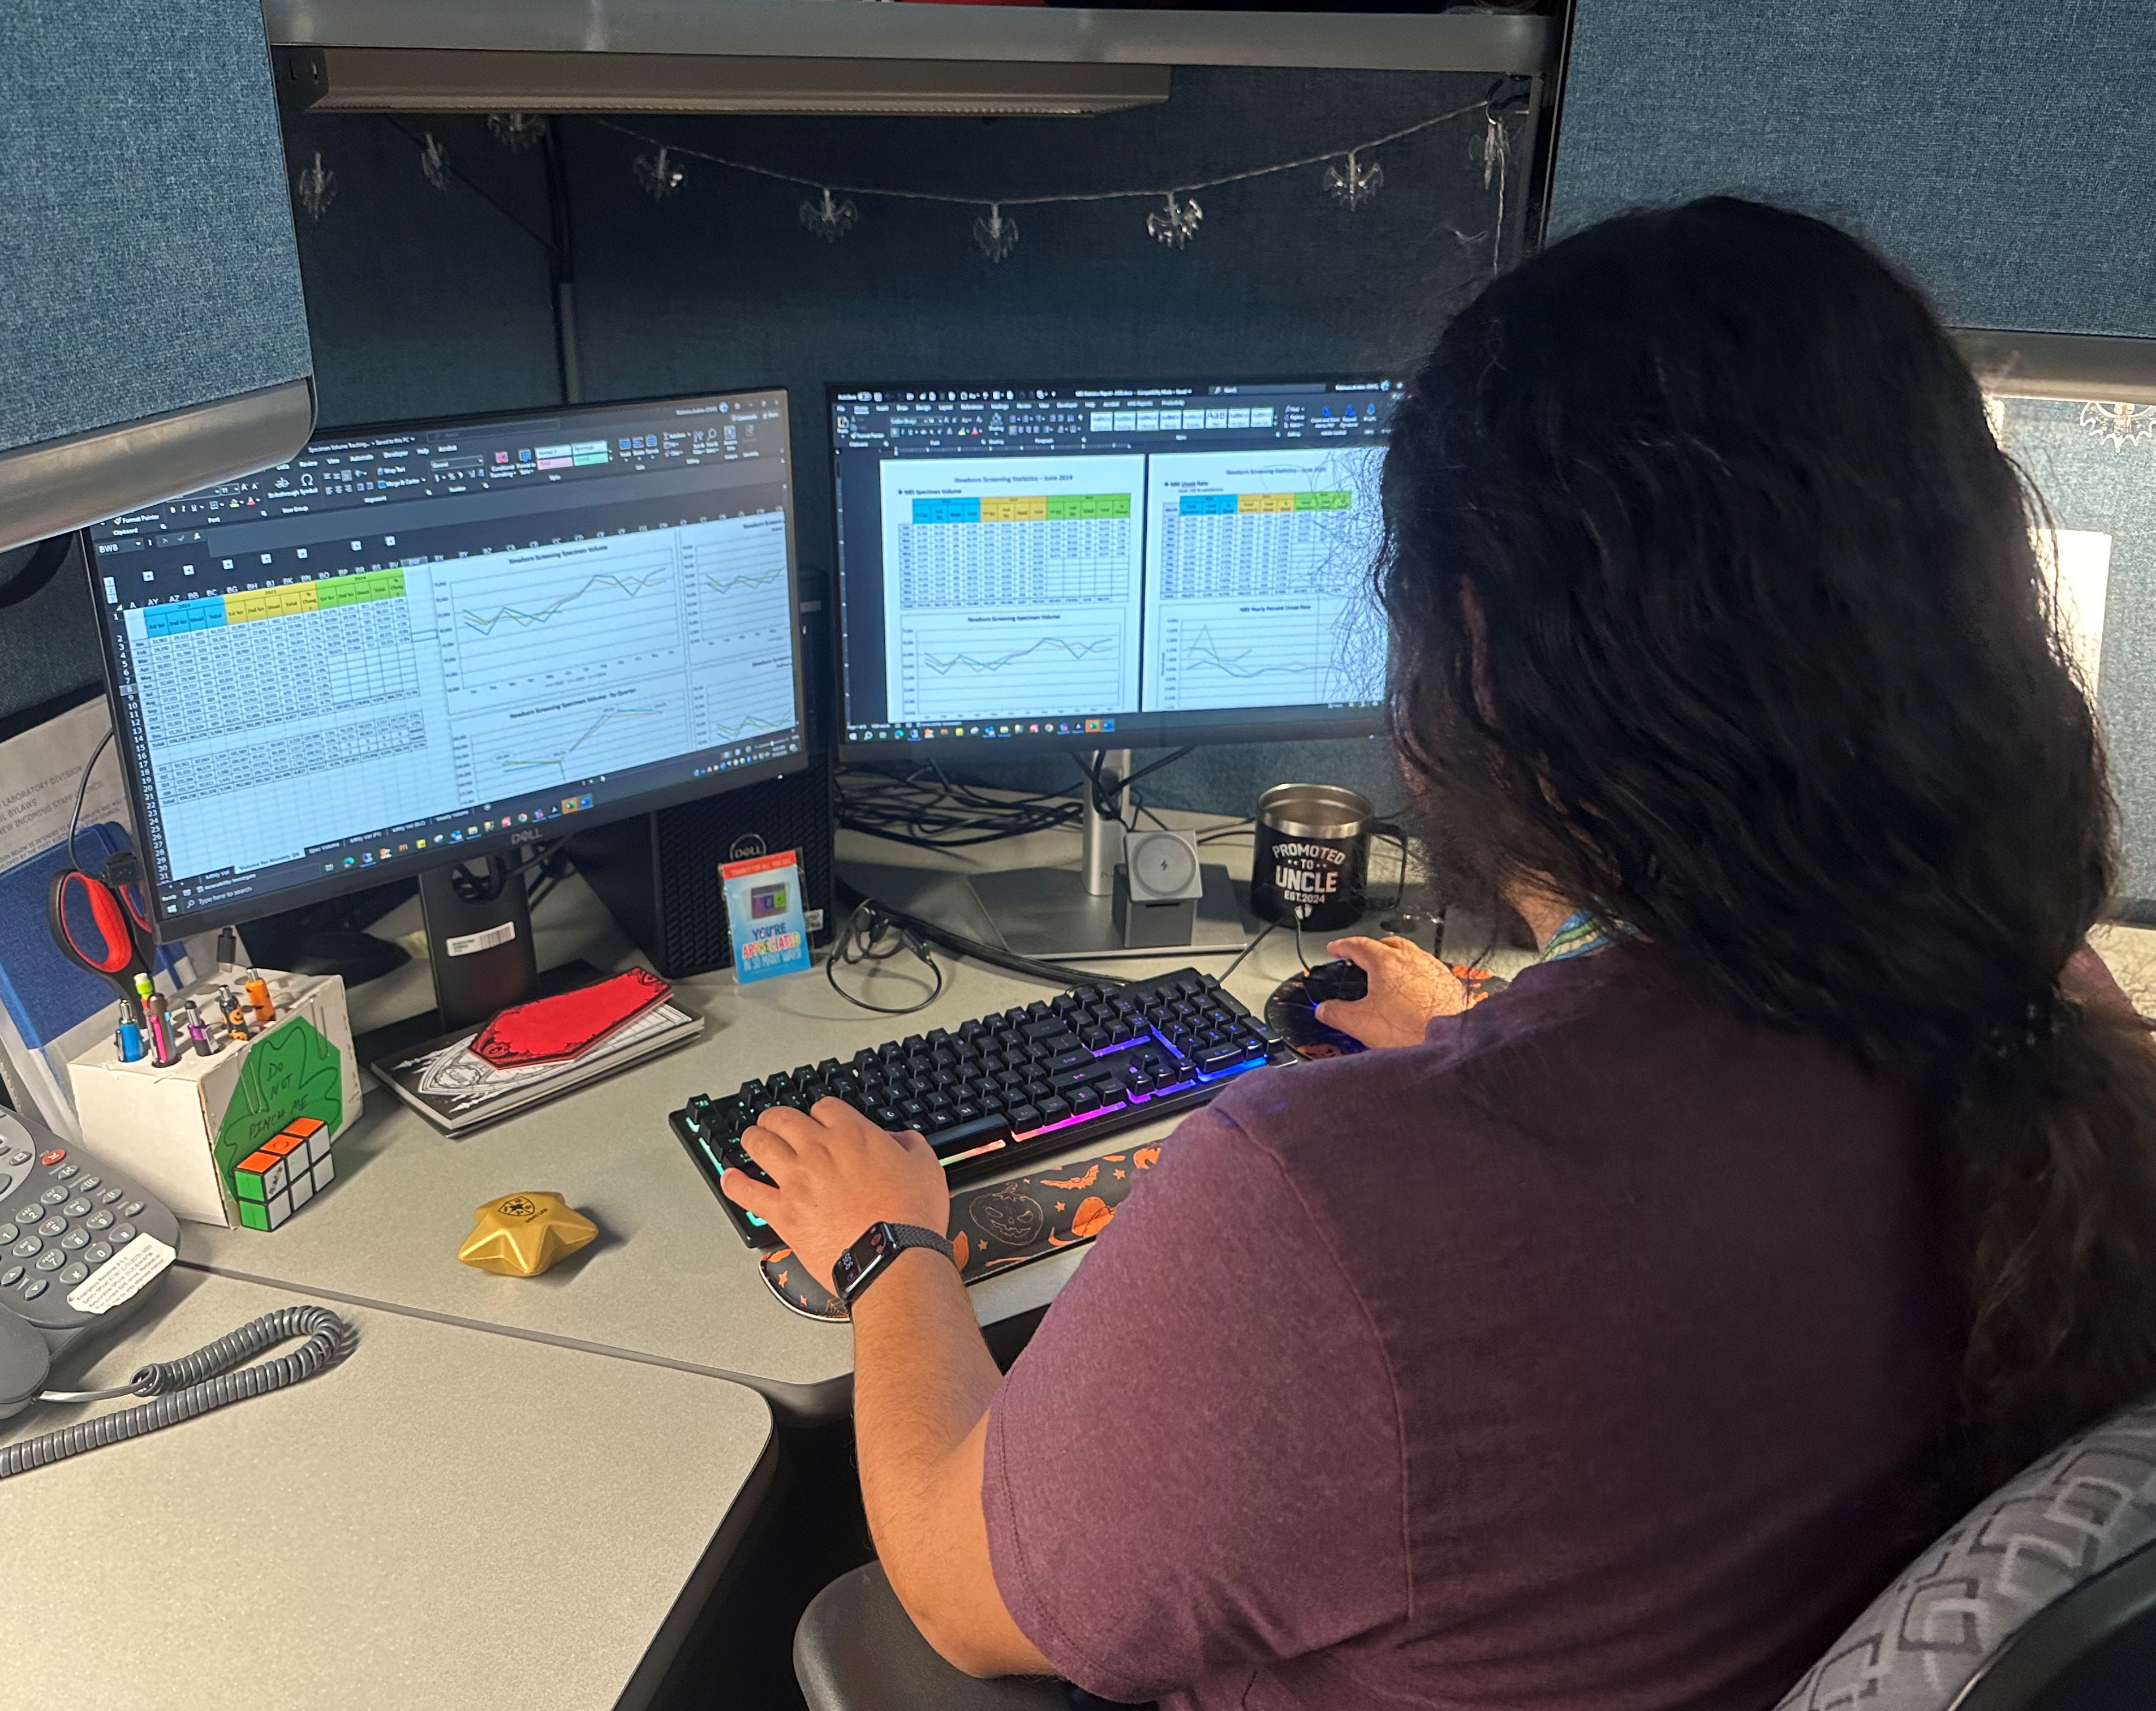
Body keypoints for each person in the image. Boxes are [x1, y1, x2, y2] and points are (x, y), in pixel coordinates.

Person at [722, 197, 2156, 1710]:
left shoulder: (1322, 1217)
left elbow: (951, 1589)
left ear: (1471, 648)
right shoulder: (2047, 1006)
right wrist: (1497, 1055)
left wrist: (891, 1250)